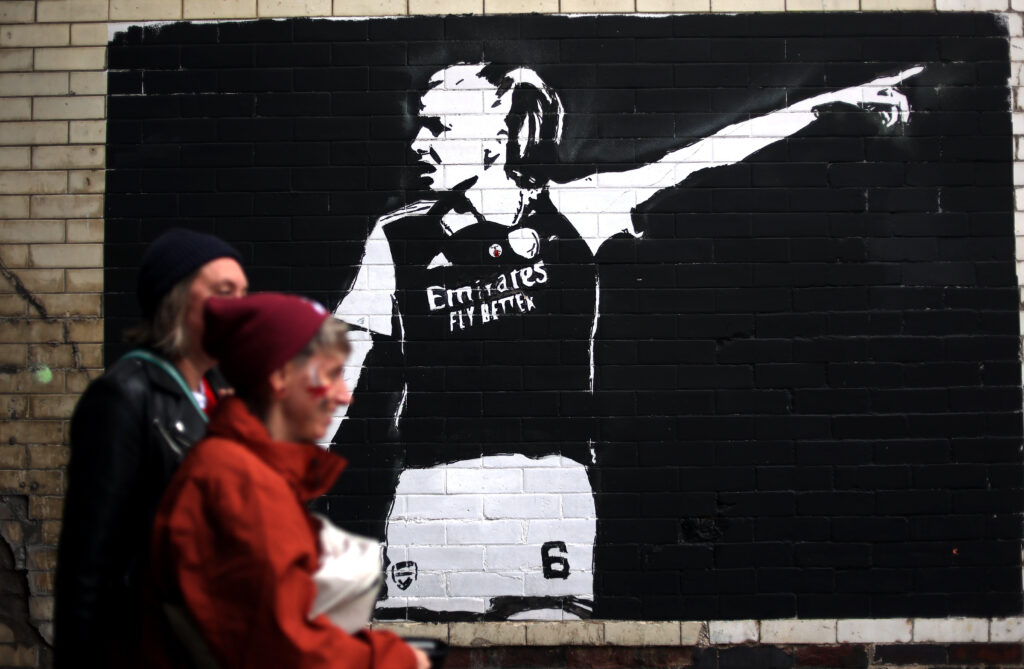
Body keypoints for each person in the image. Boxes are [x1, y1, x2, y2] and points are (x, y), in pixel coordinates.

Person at [329, 62, 921, 621]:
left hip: (546, 482)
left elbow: (697, 157)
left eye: (438, 126)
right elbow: (343, 361)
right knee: (427, 642)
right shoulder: (398, 236)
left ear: (495, 139)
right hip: (433, 487)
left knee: (545, 642)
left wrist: (822, 106)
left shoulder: (573, 211)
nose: (418, 142)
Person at [148, 293, 430, 669]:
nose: (344, 395)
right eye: (329, 374)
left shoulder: (251, 473)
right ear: (281, 378)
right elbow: (283, 646)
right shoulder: (239, 486)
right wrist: (398, 660)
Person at [55, 228, 248, 667]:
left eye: (244, 292)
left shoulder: (216, 396)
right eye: (224, 291)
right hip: (148, 644)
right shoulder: (125, 396)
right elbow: (88, 561)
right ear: (176, 300)